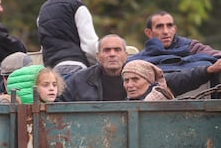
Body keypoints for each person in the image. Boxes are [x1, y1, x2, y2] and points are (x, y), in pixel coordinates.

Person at [58, 34, 221, 102]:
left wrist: (209, 70)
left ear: (125, 55)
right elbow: (58, 102)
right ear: (98, 56)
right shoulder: (80, 80)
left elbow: (175, 79)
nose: (112, 54)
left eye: (117, 50)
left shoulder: (140, 71)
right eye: (106, 50)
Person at [37, 0, 98, 81]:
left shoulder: (43, 9)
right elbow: (90, 45)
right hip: (76, 67)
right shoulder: (77, 7)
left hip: (52, 71)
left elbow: (43, 43)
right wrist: (96, 67)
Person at [128, 11, 221, 72]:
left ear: (175, 29)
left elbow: (215, 55)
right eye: (159, 27)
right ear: (149, 33)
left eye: (169, 26)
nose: (165, 31)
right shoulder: (140, 59)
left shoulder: (191, 47)